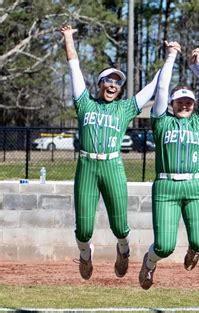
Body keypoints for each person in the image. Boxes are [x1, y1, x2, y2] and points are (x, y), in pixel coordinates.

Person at [60, 24, 162, 280]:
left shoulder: (125, 108)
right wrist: (68, 37)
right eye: (109, 80)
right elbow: (74, 67)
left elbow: (152, 87)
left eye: (118, 82)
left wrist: (170, 57)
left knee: (120, 226)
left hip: (112, 166)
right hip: (87, 166)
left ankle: (123, 251)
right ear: (100, 84)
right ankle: (85, 256)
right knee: (83, 230)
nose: (113, 85)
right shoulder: (85, 103)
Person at [138, 42, 199, 290]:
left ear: (193, 104)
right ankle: (149, 264)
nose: (184, 105)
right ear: (172, 104)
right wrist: (171, 56)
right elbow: (161, 87)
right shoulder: (162, 122)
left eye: (188, 102)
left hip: (195, 185)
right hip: (166, 186)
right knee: (164, 246)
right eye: (180, 101)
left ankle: (194, 249)